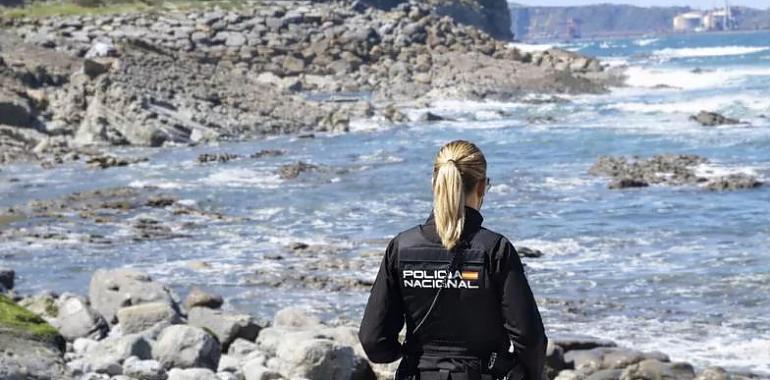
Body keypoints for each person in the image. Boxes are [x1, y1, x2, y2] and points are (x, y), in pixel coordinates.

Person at [358, 140, 548, 380]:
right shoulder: (495, 249)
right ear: (481, 187)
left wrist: (413, 355)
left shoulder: (402, 247)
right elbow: (529, 337)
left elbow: (373, 341)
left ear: (434, 184)